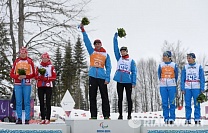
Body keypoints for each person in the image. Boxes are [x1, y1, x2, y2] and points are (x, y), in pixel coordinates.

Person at [79, 24, 111, 119]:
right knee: (92, 97)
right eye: (95, 44)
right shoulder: (92, 51)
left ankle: (106, 115)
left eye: (98, 43)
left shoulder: (105, 54)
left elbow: (108, 66)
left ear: (101, 44)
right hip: (92, 76)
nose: (97, 45)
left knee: (104, 96)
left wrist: (107, 77)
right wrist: (83, 30)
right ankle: (93, 115)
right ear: (94, 45)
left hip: (102, 77)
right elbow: (86, 42)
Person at [113, 33, 137, 120]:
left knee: (129, 98)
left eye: (124, 51)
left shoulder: (131, 61)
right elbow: (115, 49)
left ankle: (129, 115)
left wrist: (133, 82)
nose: (122, 52)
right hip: (119, 81)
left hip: (128, 81)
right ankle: (120, 114)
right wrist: (115, 39)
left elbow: (134, 72)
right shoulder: (119, 58)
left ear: (127, 52)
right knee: (120, 99)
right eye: (121, 51)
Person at [10, 47, 35, 124]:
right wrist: (18, 77)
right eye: (21, 53)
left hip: (27, 83)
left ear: (26, 53)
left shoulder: (30, 61)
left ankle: (27, 118)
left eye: (24, 53)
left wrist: (26, 76)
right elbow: (11, 74)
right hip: (18, 83)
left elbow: (34, 74)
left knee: (27, 101)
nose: (23, 55)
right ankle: (19, 118)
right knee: (18, 101)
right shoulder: (17, 61)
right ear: (19, 53)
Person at [181, 53, 205, 125]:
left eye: (189, 58)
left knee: (197, 103)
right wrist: (182, 88)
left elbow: (202, 78)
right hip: (187, 87)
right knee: (187, 104)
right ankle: (188, 119)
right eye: (187, 58)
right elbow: (182, 78)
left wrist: (202, 88)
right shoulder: (185, 67)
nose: (188, 59)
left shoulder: (199, 67)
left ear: (193, 58)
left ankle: (197, 118)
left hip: (196, 87)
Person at [35, 52, 56, 124]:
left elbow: (54, 77)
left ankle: (48, 118)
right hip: (40, 85)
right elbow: (35, 76)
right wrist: (40, 77)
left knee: (48, 102)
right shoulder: (38, 66)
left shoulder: (51, 67)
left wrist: (47, 78)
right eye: (43, 58)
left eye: (46, 58)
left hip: (48, 86)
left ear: (48, 58)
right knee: (41, 102)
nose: (44, 60)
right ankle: (42, 118)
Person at [158, 51, 178, 124]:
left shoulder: (174, 65)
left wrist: (172, 81)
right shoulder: (161, 65)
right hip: (163, 86)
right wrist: (162, 81)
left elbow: (176, 75)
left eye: (165, 56)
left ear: (169, 57)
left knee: (172, 102)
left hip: (172, 85)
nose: (163, 57)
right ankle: (166, 117)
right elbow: (159, 74)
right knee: (164, 103)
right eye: (163, 56)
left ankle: (172, 118)